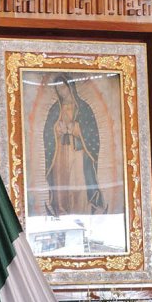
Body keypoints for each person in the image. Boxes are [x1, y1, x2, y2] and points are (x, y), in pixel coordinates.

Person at [43, 75, 105, 216]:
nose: (61, 91)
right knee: (62, 182)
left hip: (78, 153)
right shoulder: (54, 109)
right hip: (60, 154)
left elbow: (92, 132)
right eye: (58, 89)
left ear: (70, 87)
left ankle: (83, 211)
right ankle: (62, 212)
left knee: (78, 182)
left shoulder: (83, 108)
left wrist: (75, 128)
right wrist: (57, 130)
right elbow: (48, 131)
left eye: (63, 87)